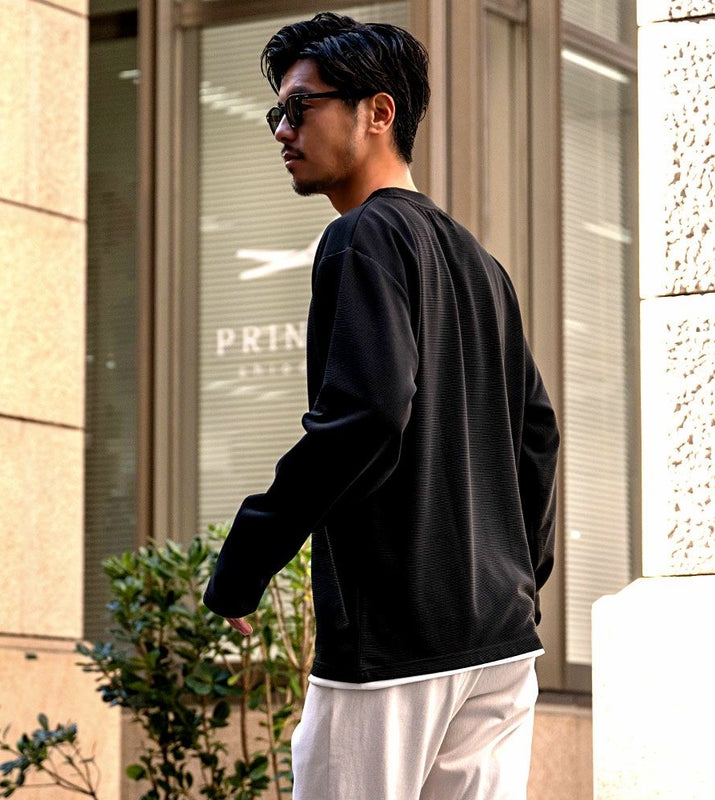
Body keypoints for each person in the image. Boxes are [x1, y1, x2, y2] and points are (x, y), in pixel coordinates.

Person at [203, 11, 560, 800]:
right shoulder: (483, 266)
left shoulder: (362, 237)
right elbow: (537, 437)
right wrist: (515, 578)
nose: (282, 130)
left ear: (378, 112)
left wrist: (245, 560)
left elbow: (366, 415)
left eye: (300, 107)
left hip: (393, 647)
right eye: (276, 113)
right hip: (500, 647)